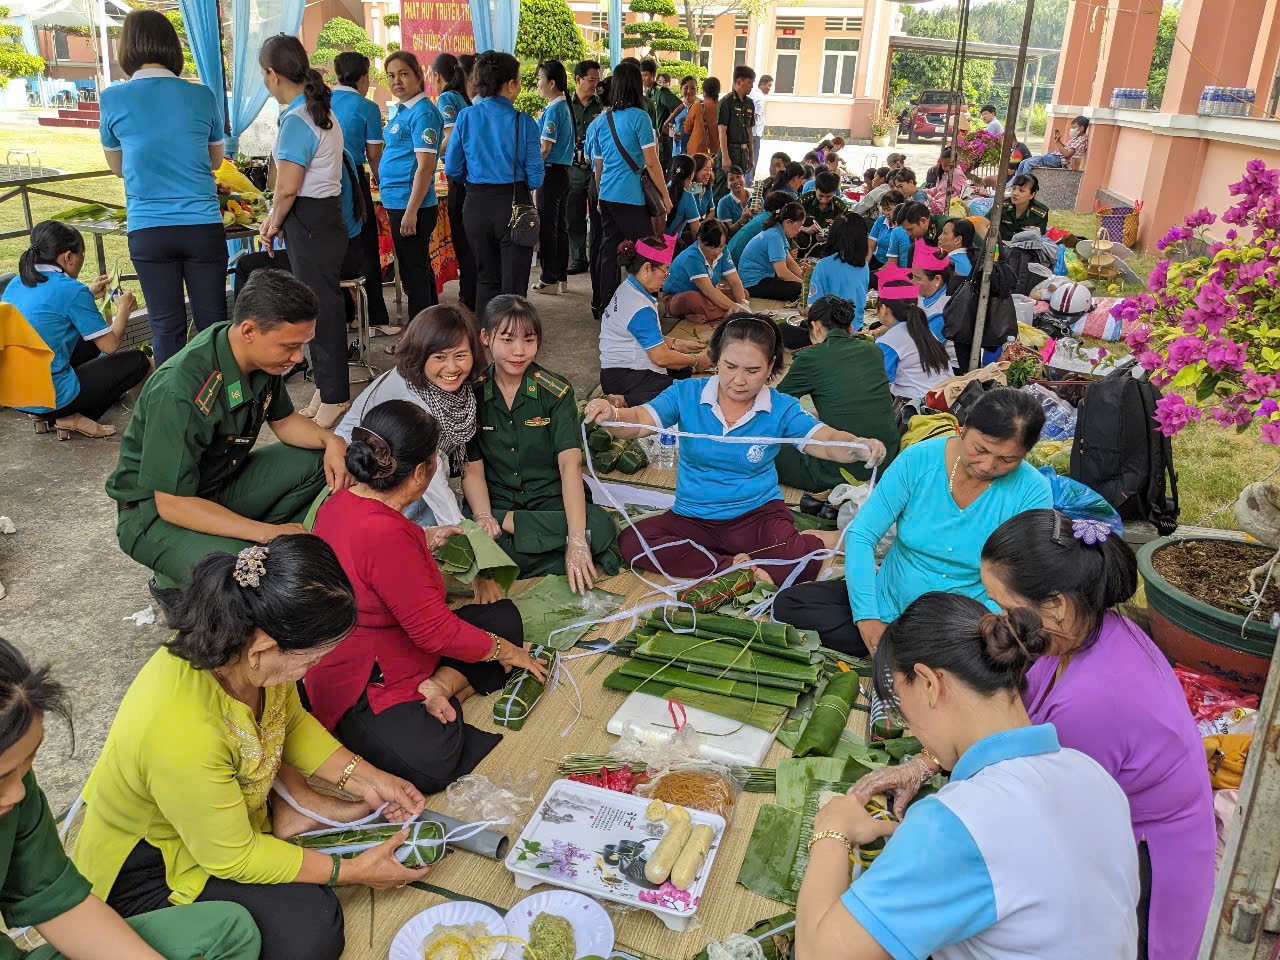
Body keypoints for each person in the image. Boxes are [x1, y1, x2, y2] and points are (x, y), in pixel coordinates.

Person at [74, 536, 432, 960]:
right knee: (312, 931)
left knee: (308, 908)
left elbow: (291, 722)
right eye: (312, 659)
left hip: (216, 827)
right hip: (153, 864)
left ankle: (287, 818)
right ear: (264, 650)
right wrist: (352, 871)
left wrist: (371, 778)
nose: (312, 669)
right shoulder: (181, 729)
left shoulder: (248, 655)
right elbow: (233, 857)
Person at [797, 592, 1139, 960]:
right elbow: (1025, 865)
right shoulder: (1089, 772)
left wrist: (831, 832)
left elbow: (817, 953)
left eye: (900, 703)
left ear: (929, 683)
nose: (908, 726)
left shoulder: (957, 822)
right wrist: (906, 837)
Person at [979, 511, 1214, 960]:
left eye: (1005, 606)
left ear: (1057, 605)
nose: (999, 617)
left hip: (1149, 868)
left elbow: (1050, 828)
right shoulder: (1086, 632)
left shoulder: (1091, 703)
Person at [308, 400, 544, 794]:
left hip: (394, 642)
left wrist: (426, 538)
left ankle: (440, 686)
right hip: (366, 676)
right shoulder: (386, 534)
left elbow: (371, 560)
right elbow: (435, 633)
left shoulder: (341, 501)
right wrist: (506, 651)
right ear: (421, 472)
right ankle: (436, 690)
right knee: (433, 763)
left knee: (502, 615)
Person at [0, 636, 263, 960]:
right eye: (1, 777)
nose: (19, 791)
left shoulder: (16, 794)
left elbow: (56, 901)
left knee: (230, 930)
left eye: (28, 763)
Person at [106, 269, 348, 618]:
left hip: (217, 487)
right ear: (249, 330)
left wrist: (330, 439)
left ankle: (231, 548)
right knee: (254, 578)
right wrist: (266, 533)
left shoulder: (259, 358)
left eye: (301, 345)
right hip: (156, 516)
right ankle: (177, 577)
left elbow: (284, 423)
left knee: (320, 462)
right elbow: (173, 504)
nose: (298, 358)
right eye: (290, 346)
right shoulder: (180, 388)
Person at [584, 315, 884, 584]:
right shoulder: (686, 393)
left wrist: (858, 446)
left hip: (757, 517)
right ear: (716, 359)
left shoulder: (780, 407)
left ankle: (800, 546)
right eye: (730, 367)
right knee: (634, 542)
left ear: (771, 368)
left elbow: (827, 441)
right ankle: (729, 565)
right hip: (693, 517)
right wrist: (612, 416)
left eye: (753, 370)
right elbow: (637, 422)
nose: (739, 381)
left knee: (798, 563)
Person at [772, 387, 1051, 654]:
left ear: (1024, 455)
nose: (988, 466)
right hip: (891, 599)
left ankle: (908, 650)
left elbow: (1022, 577)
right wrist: (868, 619)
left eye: (1007, 459)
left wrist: (986, 622)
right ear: (963, 429)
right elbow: (861, 535)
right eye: (980, 449)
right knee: (790, 605)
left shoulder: (1032, 490)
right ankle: (903, 649)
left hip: (965, 622)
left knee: (1005, 649)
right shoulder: (920, 459)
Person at [98, 9, 226, 366]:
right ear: (173, 48)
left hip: (149, 229)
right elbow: (215, 162)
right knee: (214, 323)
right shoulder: (202, 95)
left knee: (165, 327)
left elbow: (120, 168)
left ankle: (174, 411)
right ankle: (224, 404)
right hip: (202, 225)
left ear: (127, 50)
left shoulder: (112, 99)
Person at [463, 295, 618, 589]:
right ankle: (552, 557)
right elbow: (472, 470)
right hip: (495, 501)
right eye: (507, 340)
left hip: (550, 501)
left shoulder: (556, 393)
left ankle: (513, 558)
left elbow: (569, 467)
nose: (519, 351)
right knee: (469, 536)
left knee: (598, 527)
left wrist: (576, 539)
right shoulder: (471, 393)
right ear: (485, 337)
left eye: (529, 340)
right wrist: (485, 517)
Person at [258, 34, 350, 429]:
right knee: (318, 304)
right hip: (321, 217)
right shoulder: (315, 112)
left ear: (272, 74)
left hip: (311, 220)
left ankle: (336, 395)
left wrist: (273, 221)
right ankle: (326, 386)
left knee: (321, 309)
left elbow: (288, 186)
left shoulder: (299, 119)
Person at [334, 305, 482, 534]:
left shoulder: (445, 385)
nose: (452, 368)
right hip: (368, 473)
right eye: (439, 357)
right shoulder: (413, 401)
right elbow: (430, 476)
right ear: (420, 354)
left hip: (408, 465)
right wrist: (464, 531)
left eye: (461, 356)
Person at [4, 221, 149, 439]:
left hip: (16, 396)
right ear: (68, 257)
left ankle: (45, 415)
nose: (81, 261)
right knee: (137, 361)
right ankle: (69, 415)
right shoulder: (72, 291)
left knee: (86, 341)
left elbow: (50, 310)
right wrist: (124, 310)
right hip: (51, 398)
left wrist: (88, 292)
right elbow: (110, 346)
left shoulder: (17, 282)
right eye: (82, 255)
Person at [445, 52, 544, 321]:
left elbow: (452, 168)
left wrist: (475, 180)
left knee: (485, 277)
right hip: (515, 204)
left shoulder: (466, 117)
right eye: (519, 80)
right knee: (514, 282)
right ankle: (512, 337)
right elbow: (536, 178)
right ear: (510, 84)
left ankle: (486, 335)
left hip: (476, 204)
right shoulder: (523, 121)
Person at [776, 295, 899, 491]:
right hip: (885, 463)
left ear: (815, 327)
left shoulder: (810, 358)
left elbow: (777, 407)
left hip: (839, 471)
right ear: (850, 328)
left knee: (766, 448)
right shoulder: (873, 350)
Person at [588, 61, 671, 314]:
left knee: (609, 252)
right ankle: (646, 307)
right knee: (648, 251)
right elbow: (652, 163)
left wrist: (601, 196)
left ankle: (607, 308)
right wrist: (665, 197)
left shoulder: (604, 120)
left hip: (609, 196)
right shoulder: (641, 117)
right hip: (631, 196)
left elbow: (598, 165)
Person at [376, 50, 444, 335]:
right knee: (420, 270)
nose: (397, 81)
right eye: (391, 76)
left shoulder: (423, 113)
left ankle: (419, 340)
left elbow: (426, 167)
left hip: (410, 205)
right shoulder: (405, 110)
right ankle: (433, 332)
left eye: (403, 74)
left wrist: (411, 210)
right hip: (399, 202)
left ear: (419, 75)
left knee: (414, 276)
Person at [599, 236, 711, 406]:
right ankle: (625, 400)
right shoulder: (639, 307)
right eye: (665, 270)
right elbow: (660, 358)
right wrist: (695, 359)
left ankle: (628, 396)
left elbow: (637, 335)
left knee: (681, 367)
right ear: (646, 268)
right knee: (681, 392)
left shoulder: (627, 289)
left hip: (614, 374)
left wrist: (675, 343)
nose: (666, 277)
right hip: (624, 376)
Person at [330, 52, 392, 334]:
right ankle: (374, 318)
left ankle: (342, 315)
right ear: (364, 78)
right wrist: (383, 186)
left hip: (323, 182)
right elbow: (375, 156)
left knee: (334, 250)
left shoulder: (321, 102)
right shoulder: (366, 107)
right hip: (353, 179)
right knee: (365, 249)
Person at [431, 53, 477, 315]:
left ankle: (467, 299)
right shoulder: (462, 98)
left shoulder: (447, 98)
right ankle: (470, 296)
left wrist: (429, 155)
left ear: (436, 76)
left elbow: (448, 138)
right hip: (469, 176)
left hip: (458, 177)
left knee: (463, 241)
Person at [530, 60, 574, 296]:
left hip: (552, 172)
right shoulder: (561, 106)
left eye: (540, 79)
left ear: (552, 83)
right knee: (559, 226)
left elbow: (545, 148)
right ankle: (560, 276)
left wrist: (531, 168)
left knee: (548, 227)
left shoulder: (555, 110)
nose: (538, 83)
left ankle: (549, 278)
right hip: (563, 172)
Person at [873, 279, 952, 406]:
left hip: (918, 408)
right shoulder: (925, 332)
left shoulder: (888, 342)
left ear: (883, 309)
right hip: (945, 400)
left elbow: (876, 384)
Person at [663, 219, 750, 323]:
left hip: (705, 296)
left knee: (743, 293)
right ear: (700, 241)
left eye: (721, 246)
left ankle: (713, 314)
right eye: (712, 247)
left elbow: (735, 282)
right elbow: (708, 290)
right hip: (677, 298)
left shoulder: (724, 251)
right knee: (693, 299)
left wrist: (742, 303)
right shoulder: (692, 256)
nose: (717, 251)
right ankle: (722, 313)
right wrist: (737, 308)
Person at [566, 59, 603, 277]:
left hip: (597, 168)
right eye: (591, 80)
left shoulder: (602, 106)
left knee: (598, 212)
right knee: (574, 215)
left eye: (598, 81)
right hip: (574, 168)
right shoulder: (565, 106)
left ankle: (597, 255)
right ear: (578, 79)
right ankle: (578, 258)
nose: (595, 85)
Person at [737, 200, 805, 301]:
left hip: (762, 278)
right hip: (753, 283)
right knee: (799, 290)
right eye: (799, 225)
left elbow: (790, 263)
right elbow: (782, 273)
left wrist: (806, 278)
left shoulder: (778, 231)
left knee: (801, 286)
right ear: (788, 222)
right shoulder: (775, 236)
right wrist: (804, 285)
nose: (799, 230)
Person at [805, 216, 870, 323]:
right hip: (856, 328)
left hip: (829, 332)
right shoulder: (864, 266)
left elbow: (812, 310)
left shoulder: (823, 265)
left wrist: (802, 310)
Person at [716, 66, 756, 200]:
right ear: (739, 81)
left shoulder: (750, 103)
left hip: (743, 153)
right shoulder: (726, 102)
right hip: (730, 150)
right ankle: (717, 218)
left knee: (739, 188)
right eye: (749, 82)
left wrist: (751, 155)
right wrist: (725, 157)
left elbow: (750, 131)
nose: (751, 86)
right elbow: (722, 130)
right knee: (723, 189)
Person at [727, 190, 789, 266]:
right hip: (735, 262)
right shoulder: (771, 222)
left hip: (730, 256)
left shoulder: (764, 216)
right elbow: (785, 261)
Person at [1016, 115, 1090, 176]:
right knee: (1023, 162)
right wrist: (1059, 141)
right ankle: (1017, 186)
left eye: (1074, 127)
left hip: (1058, 160)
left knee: (1029, 163)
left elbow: (1067, 154)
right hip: (1053, 156)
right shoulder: (1077, 138)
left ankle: (1025, 187)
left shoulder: (1082, 140)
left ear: (1081, 128)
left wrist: (1057, 143)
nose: (1071, 129)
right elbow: (1066, 149)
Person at [800, 170, 850, 255]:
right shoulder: (804, 202)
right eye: (821, 195)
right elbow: (789, 225)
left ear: (834, 192)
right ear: (815, 188)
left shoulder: (840, 208)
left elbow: (845, 232)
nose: (824, 200)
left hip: (827, 250)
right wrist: (805, 229)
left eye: (828, 196)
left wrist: (829, 236)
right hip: (802, 247)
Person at [881, 201, 932, 270]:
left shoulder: (942, 229)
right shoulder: (913, 246)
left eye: (910, 229)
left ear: (923, 221)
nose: (908, 234)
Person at [1000, 173, 1049, 242]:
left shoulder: (1041, 212)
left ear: (1032, 195)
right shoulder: (1001, 205)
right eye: (1013, 188)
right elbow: (983, 221)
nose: (1015, 193)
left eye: (1021, 190)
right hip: (999, 248)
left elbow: (1038, 237)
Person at [867, 189, 905, 278]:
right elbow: (870, 247)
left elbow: (893, 261)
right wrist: (865, 266)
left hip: (892, 266)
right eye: (883, 209)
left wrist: (878, 273)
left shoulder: (902, 228)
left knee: (871, 278)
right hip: (877, 260)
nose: (885, 213)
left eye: (889, 209)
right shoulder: (881, 221)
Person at [665, 154, 702, 240]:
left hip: (655, 242)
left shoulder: (665, 188)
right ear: (691, 175)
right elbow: (695, 230)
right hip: (672, 247)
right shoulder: (688, 196)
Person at [924, 150, 966, 214]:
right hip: (937, 202)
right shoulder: (942, 174)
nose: (947, 168)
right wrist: (924, 191)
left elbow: (963, 192)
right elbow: (937, 190)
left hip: (945, 207)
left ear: (956, 162)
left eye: (950, 165)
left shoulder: (957, 173)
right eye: (945, 165)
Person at [747, 74, 771, 186]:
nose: (769, 88)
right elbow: (754, 116)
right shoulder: (759, 98)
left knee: (748, 155)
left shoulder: (752, 94)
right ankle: (748, 180)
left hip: (750, 131)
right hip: (755, 132)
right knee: (753, 156)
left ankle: (747, 179)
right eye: (768, 85)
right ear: (761, 84)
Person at [716, 166, 754, 232]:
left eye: (738, 177)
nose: (736, 181)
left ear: (744, 177)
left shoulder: (756, 197)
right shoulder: (723, 203)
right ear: (727, 185)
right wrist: (742, 219)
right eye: (731, 179)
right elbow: (727, 232)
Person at [667, 75, 697, 158]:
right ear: (681, 89)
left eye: (692, 88)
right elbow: (669, 128)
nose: (689, 91)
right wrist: (674, 134)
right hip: (678, 151)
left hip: (696, 152)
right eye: (686, 88)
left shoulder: (701, 106)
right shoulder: (676, 106)